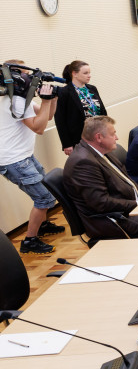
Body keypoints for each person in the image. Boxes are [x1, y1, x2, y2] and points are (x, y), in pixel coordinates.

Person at [0, 61, 63, 254]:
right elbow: (39, 127)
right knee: (43, 198)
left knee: (47, 189)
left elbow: (47, 116)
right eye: (27, 74)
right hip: (14, 160)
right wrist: (45, 101)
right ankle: (29, 241)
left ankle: (41, 225)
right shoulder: (16, 100)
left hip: (23, 156)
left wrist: (51, 99)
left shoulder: (18, 97)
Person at [62, 116, 138, 240]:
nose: (117, 138)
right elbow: (101, 203)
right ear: (99, 137)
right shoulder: (83, 162)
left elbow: (128, 180)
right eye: (113, 134)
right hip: (113, 220)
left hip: (127, 209)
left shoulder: (103, 151)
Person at [54, 60, 107, 156]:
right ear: (74, 74)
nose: (89, 75)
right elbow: (60, 120)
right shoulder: (64, 92)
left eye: (89, 72)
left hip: (99, 134)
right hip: (79, 138)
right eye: (85, 73)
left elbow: (103, 111)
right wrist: (67, 144)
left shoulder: (92, 88)